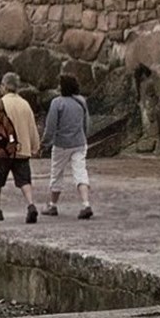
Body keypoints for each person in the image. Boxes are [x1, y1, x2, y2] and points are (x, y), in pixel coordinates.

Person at [0, 71, 42, 223]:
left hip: (3, 150)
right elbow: (32, 127)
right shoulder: (25, 104)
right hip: (22, 149)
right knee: (24, 180)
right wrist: (35, 147)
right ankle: (31, 204)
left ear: (4, 86)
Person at [46, 72, 94, 219]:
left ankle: (52, 205)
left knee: (56, 173)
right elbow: (86, 123)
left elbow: (51, 126)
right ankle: (86, 203)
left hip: (61, 144)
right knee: (80, 173)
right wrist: (84, 137)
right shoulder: (81, 101)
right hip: (79, 142)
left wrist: (45, 142)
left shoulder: (57, 103)